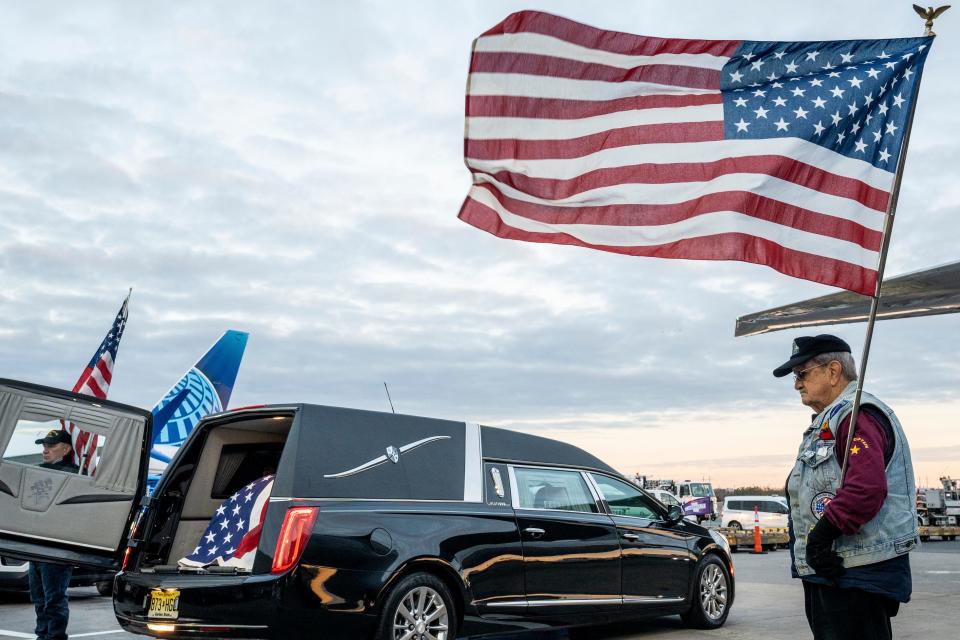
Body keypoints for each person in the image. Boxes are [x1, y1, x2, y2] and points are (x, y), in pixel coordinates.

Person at [774, 335, 919, 640]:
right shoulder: (834, 420)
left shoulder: (858, 417)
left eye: (802, 374)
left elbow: (865, 489)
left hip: (854, 573)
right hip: (835, 573)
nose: (797, 385)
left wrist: (820, 539)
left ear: (833, 371)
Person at [29, 429, 79, 640]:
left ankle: (55, 637)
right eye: (44, 446)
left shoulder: (76, 476)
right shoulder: (37, 472)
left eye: (51, 445)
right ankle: (43, 636)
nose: (45, 450)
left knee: (54, 599)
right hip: (37, 546)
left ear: (66, 449)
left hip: (57, 548)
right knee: (39, 599)